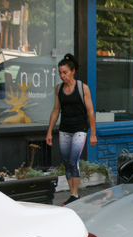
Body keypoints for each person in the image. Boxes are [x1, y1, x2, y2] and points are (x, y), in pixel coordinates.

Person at [46, 53, 97, 206]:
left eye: (65, 72)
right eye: (60, 73)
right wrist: (49, 131)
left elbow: (90, 112)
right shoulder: (58, 89)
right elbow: (56, 110)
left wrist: (92, 133)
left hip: (80, 129)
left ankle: (74, 194)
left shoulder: (82, 88)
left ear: (73, 71)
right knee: (67, 162)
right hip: (64, 129)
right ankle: (72, 194)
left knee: (73, 160)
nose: (62, 76)